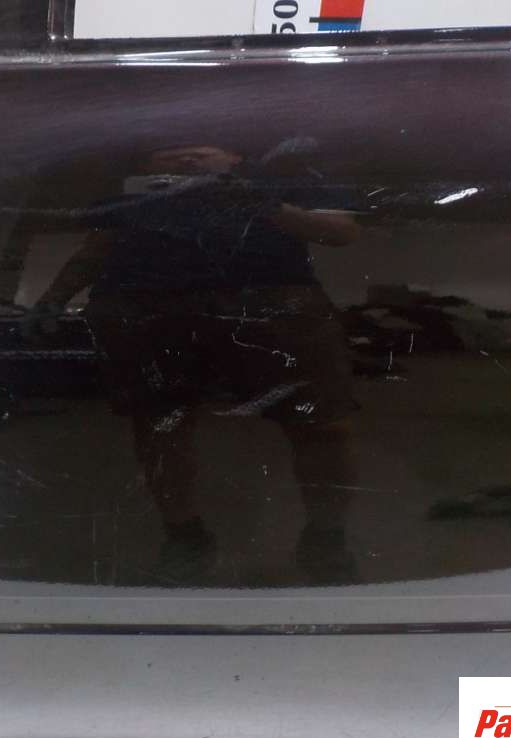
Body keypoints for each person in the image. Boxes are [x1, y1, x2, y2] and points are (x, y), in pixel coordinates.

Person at [31, 144, 362, 585]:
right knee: (160, 426)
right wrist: (54, 297)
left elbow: (341, 231)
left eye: (202, 151)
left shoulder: (279, 179)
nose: (186, 159)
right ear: (146, 165)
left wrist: (263, 205)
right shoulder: (136, 195)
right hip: (148, 308)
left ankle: (326, 537)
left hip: (271, 305)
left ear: (236, 158)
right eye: (170, 153)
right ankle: (185, 536)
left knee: (322, 423)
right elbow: (98, 247)